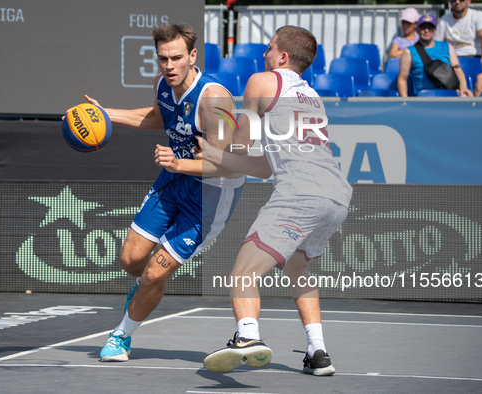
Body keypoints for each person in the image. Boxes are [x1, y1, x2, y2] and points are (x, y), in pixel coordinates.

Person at [81, 23, 244, 362]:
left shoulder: (215, 98)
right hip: (173, 179)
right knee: (131, 262)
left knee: (155, 273)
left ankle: (122, 335)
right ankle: (144, 291)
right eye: (162, 59)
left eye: (176, 58)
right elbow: (158, 116)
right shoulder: (161, 84)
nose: (169, 66)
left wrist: (178, 164)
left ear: (192, 56)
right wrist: (104, 114)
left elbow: (229, 164)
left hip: (210, 195)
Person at [195, 26, 352, 376]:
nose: (263, 54)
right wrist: (211, 154)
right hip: (336, 195)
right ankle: (318, 352)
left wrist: (213, 132)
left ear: (282, 57)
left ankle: (248, 337)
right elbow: (264, 167)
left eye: (269, 48)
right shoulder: (312, 95)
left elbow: (239, 144)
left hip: (300, 191)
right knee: (297, 268)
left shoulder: (262, 81)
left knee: (242, 273)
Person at [398, 15, 473, 97]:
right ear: (417, 30)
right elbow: (402, 79)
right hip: (425, 97)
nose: (426, 30)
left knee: (465, 97)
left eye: (430, 27)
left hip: (448, 93)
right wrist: (405, 101)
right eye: (423, 27)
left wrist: (463, 88)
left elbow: (457, 69)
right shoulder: (408, 52)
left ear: (435, 30)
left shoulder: (447, 46)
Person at [434, 0, 482, 65]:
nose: (457, 2)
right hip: (453, 60)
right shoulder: (443, 20)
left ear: (469, 1)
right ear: (449, 1)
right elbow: (437, 44)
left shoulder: (477, 15)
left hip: (475, 56)